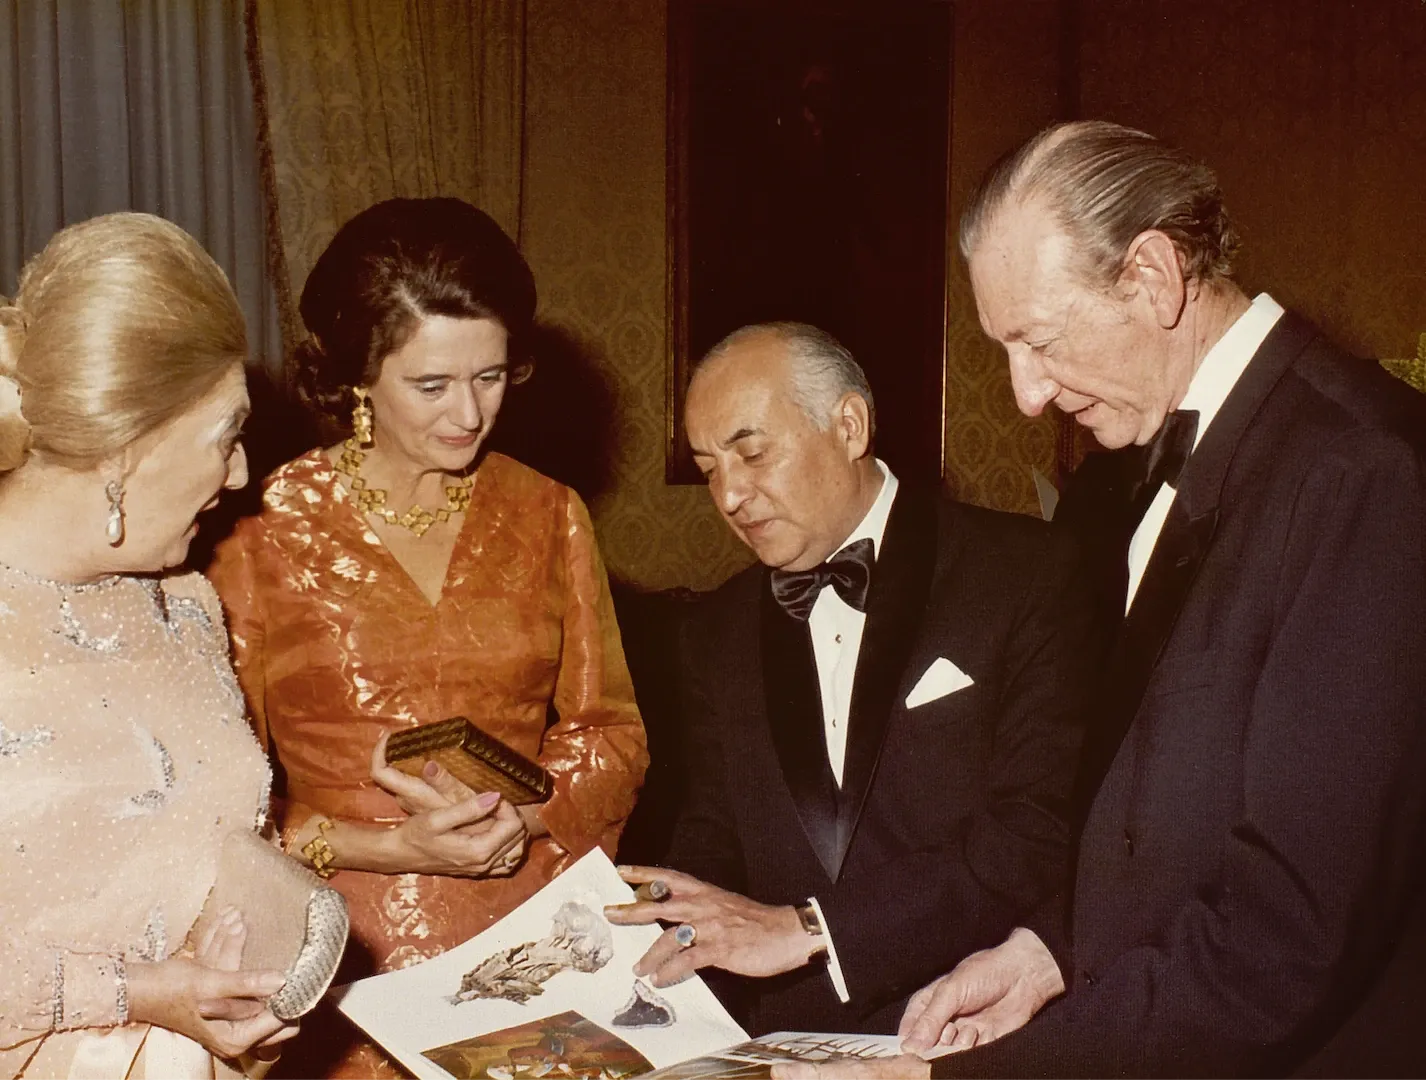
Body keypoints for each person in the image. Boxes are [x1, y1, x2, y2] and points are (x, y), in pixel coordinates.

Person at [774, 122, 1426, 1080]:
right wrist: (1049, 952)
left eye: (1037, 341)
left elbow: (1290, 931)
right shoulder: (1134, 479)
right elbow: (1166, 812)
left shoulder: (1361, 470)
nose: (1026, 396)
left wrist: (964, 1077)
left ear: (1154, 277)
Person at [208, 197, 648, 1080]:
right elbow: (224, 806)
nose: (470, 415)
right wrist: (384, 848)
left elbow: (611, 733)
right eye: (433, 385)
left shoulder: (548, 511)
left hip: (526, 943)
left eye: (491, 377)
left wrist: (524, 820)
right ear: (358, 376)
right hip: (339, 963)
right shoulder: (258, 528)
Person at [606, 322, 1099, 1035]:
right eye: (711, 467)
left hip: (976, 1021)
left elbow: (1033, 833)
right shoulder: (715, 629)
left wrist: (812, 929)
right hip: (776, 1038)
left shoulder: (1031, 574)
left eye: (751, 452)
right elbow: (714, 834)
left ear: (849, 425)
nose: (730, 496)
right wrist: (649, 930)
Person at [0, 213, 298, 1078]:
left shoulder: (188, 610)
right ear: (127, 450)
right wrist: (132, 993)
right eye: (226, 436)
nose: (241, 475)